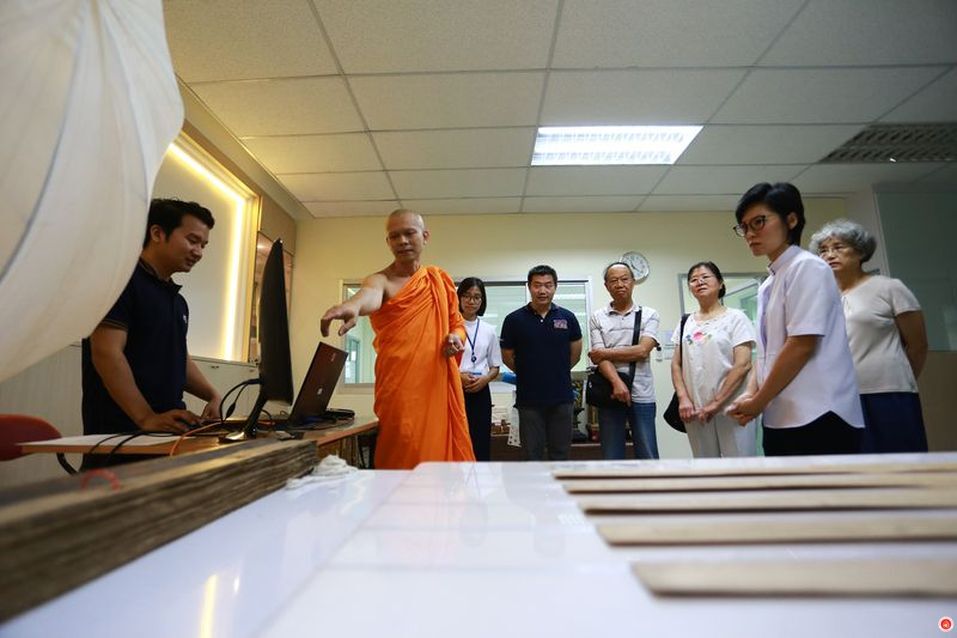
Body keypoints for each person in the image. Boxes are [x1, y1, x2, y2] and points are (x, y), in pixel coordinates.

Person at [320, 209, 475, 469]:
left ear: (425, 236)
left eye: (409, 233)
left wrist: (455, 338)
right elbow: (369, 294)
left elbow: (457, 324)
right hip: (400, 389)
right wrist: (353, 305)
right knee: (403, 449)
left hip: (435, 384)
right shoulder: (381, 280)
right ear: (388, 242)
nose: (402, 241)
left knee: (437, 459)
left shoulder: (438, 280)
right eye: (395, 236)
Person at [726, 183, 864, 456]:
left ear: (791, 220)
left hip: (820, 413)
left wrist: (759, 401)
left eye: (759, 222)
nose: (750, 234)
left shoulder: (808, 267)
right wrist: (752, 393)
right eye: (744, 227)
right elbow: (767, 352)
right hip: (781, 414)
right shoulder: (769, 283)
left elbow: (802, 344)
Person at [82, 199, 222, 452]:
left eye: (203, 245)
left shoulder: (177, 302)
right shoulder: (120, 282)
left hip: (167, 430)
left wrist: (213, 394)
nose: (199, 252)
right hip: (122, 436)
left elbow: (178, 357)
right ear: (157, 233)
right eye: (192, 240)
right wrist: (145, 417)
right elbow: (106, 352)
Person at [809, 219, 929, 453]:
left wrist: (900, 380)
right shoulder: (822, 296)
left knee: (899, 460)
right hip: (839, 396)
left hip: (889, 392)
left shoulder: (889, 288)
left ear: (860, 251)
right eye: (823, 250)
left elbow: (918, 345)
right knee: (852, 463)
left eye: (838, 247)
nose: (830, 255)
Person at [671, 261, 757, 457]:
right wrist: (683, 399)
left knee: (740, 465)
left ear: (720, 283)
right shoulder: (686, 322)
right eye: (693, 279)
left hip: (732, 406)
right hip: (695, 409)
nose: (699, 282)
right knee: (705, 466)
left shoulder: (736, 318)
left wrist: (716, 404)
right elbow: (676, 364)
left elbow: (743, 364)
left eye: (705, 277)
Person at [500, 265, 582, 461]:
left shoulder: (568, 318)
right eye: (537, 285)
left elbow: (575, 355)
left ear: (555, 287)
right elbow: (507, 357)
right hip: (529, 400)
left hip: (561, 398)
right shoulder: (513, 320)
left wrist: (556, 371)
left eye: (548, 285)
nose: (542, 290)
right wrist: (530, 373)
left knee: (560, 454)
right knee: (531, 455)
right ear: (529, 287)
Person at [588, 262, 660, 459]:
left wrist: (606, 353)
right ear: (606, 286)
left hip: (643, 394)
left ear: (633, 282)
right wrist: (617, 383)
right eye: (614, 280)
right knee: (612, 455)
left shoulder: (649, 314)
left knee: (647, 453)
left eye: (624, 279)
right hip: (610, 393)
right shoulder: (597, 317)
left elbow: (642, 351)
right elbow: (599, 358)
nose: (619, 284)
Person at [456, 277, 502, 462]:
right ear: (459, 298)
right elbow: (438, 364)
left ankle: (480, 478)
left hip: (481, 391)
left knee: (480, 440)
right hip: (455, 390)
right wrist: (458, 376)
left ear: (482, 301)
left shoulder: (489, 330)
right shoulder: (449, 327)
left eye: (476, 297)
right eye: (466, 296)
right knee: (456, 439)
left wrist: (485, 379)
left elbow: (495, 367)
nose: (471, 301)